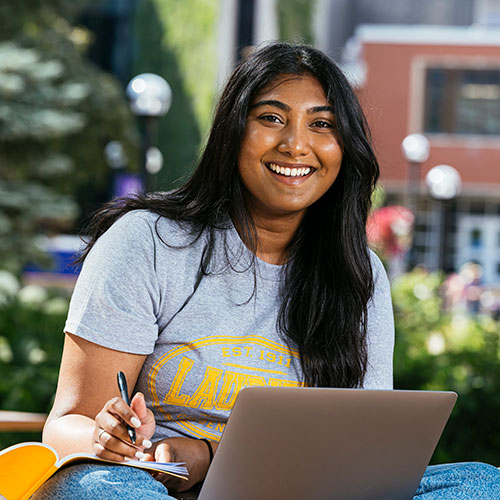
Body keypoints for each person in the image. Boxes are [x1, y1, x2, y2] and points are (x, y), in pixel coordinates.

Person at [32, 42, 499, 500]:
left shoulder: (361, 274)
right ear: (233, 131)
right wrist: (110, 443)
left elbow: (365, 453)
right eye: (271, 118)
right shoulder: (147, 243)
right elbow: (67, 426)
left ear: (344, 146)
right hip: (153, 488)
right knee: (96, 486)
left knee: (482, 483)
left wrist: (210, 455)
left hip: (299, 492)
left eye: (322, 124)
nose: (296, 145)